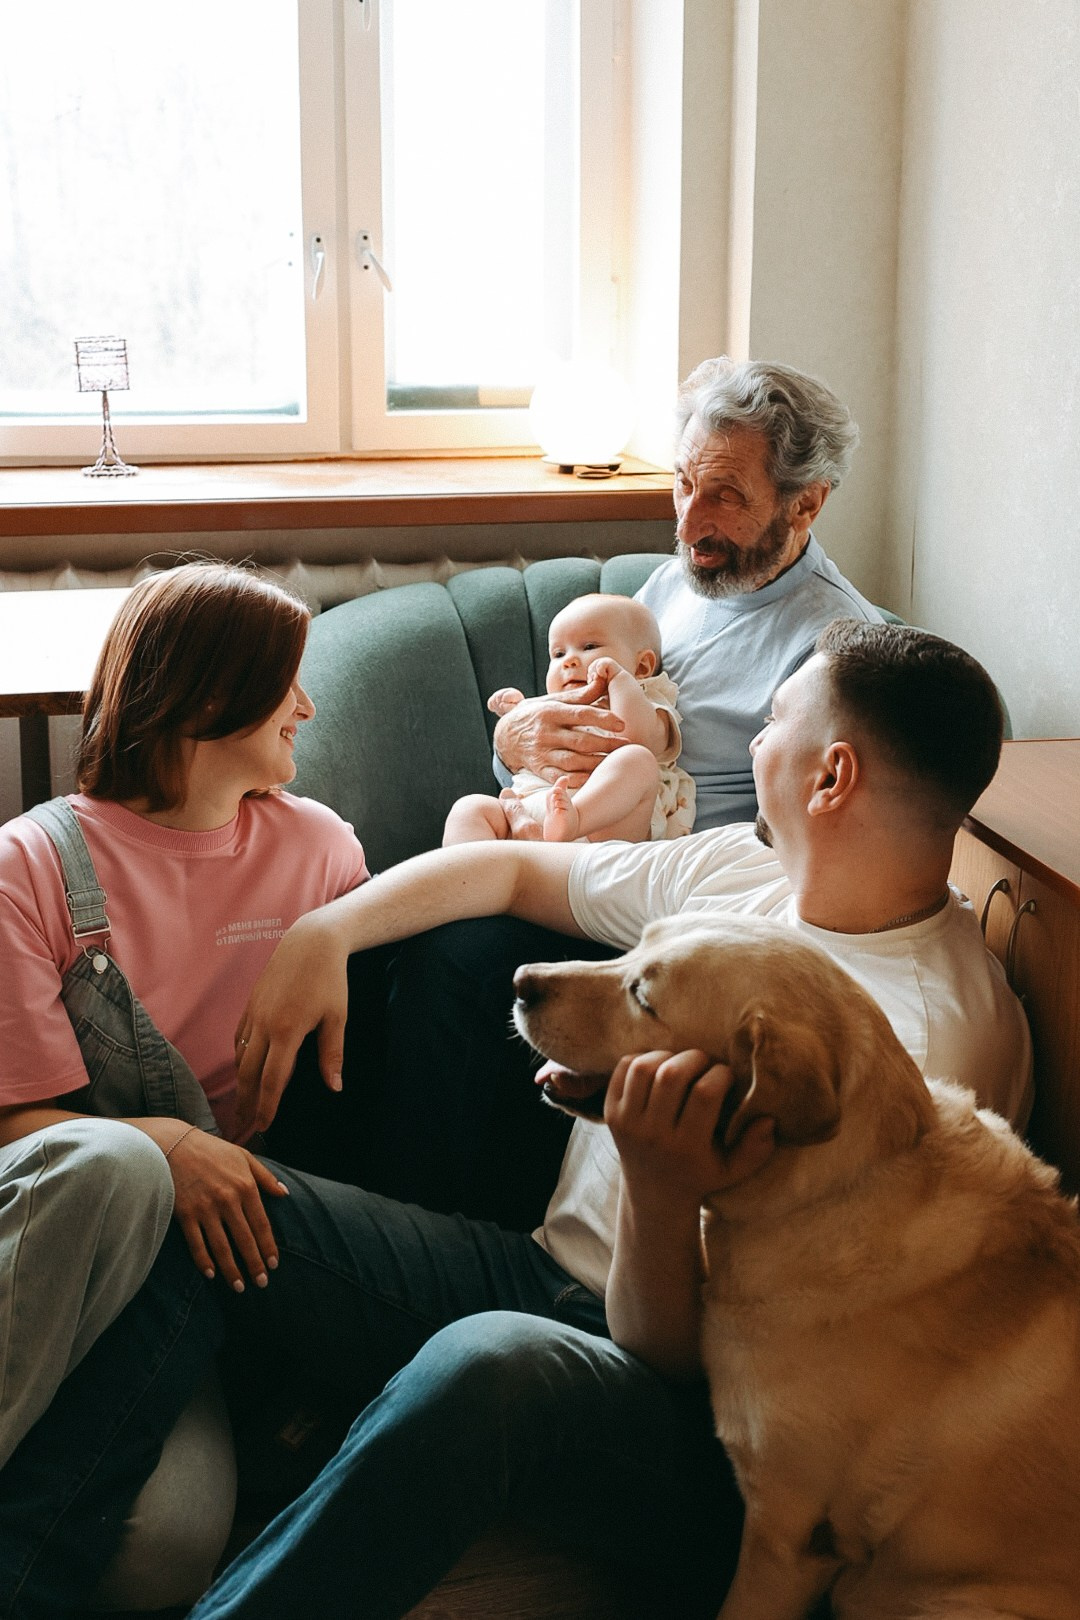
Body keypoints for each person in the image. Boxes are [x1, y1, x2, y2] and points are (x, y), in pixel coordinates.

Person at [181, 619, 1032, 1620]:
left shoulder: (913, 1049)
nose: (755, 745)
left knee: (484, 1366)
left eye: (771, 725)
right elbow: (510, 873)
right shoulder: (747, 874)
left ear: (831, 775)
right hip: (540, 1267)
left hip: (694, 1418)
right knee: (191, 1191)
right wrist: (325, 931)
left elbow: (714, 1368)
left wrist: (663, 1195)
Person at [0, 562, 370, 1613]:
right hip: (59, 1238)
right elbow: (16, 1132)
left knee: (162, 1554)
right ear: (210, 699)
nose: (308, 705)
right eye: (288, 680)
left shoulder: (322, 854)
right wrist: (172, 1146)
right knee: (114, 1159)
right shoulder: (30, 866)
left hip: (195, 1275)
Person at [492, 356, 883, 832]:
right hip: (557, 828)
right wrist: (510, 742)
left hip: (666, 875)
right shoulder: (674, 581)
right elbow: (571, 719)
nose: (687, 526)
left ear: (805, 503)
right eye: (684, 483)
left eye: (725, 495)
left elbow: (815, 838)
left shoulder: (836, 648)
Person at [443, 592, 695, 846]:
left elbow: (635, 737)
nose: (569, 661)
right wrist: (518, 710)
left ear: (641, 667)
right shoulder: (553, 706)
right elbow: (526, 741)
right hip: (530, 811)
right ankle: (470, 879)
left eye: (589, 647)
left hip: (607, 830)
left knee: (638, 760)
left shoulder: (649, 701)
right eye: (559, 654)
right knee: (469, 810)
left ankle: (576, 819)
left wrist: (619, 680)